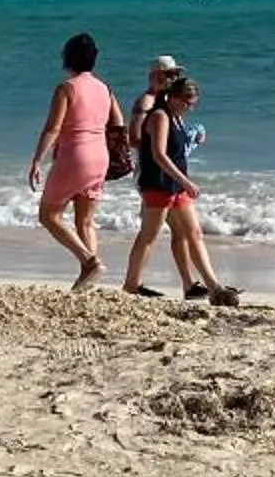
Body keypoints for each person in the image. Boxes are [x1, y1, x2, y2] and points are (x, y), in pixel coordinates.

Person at [124, 75, 237, 305]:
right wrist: (185, 182)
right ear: (173, 98)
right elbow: (158, 155)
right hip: (158, 184)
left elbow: (179, 148)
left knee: (193, 233)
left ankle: (214, 287)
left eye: (193, 104)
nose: (190, 108)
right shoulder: (159, 116)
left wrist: (196, 135)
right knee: (149, 236)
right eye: (187, 103)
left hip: (177, 185)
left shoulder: (176, 118)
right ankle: (130, 286)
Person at [27, 30, 122, 292]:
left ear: (67, 58)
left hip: (75, 157)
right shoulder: (106, 88)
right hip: (99, 156)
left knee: (48, 215)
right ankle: (89, 278)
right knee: (85, 221)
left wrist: (37, 160)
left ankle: (90, 262)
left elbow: (52, 128)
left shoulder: (66, 88)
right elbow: (118, 124)